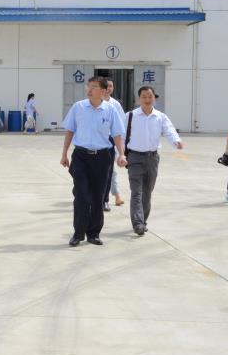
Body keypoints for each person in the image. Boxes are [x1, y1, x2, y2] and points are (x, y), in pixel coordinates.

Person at [60, 77, 126, 247]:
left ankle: (94, 233)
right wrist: (64, 153)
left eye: (94, 87)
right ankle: (78, 233)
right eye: (88, 86)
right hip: (81, 156)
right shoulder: (79, 107)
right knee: (81, 195)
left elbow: (117, 134)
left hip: (102, 158)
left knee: (98, 196)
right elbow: (70, 130)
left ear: (103, 91)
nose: (89, 90)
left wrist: (121, 154)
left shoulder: (110, 110)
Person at [125, 86, 183, 236]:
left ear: (154, 98)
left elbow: (169, 130)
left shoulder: (160, 117)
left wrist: (176, 141)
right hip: (134, 157)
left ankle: (143, 220)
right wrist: (120, 155)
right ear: (138, 99)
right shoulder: (130, 116)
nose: (147, 99)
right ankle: (138, 223)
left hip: (152, 158)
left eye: (150, 96)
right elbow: (120, 135)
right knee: (136, 192)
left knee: (147, 192)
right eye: (144, 96)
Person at [102, 79, 126, 210]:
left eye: (111, 86)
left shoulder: (115, 104)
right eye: (106, 86)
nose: (108, 88)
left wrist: (121, 149)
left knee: (111, 171)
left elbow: (122, 125)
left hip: (112, 141)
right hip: (97, 141)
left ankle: (113, 196)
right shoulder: (93, 102)